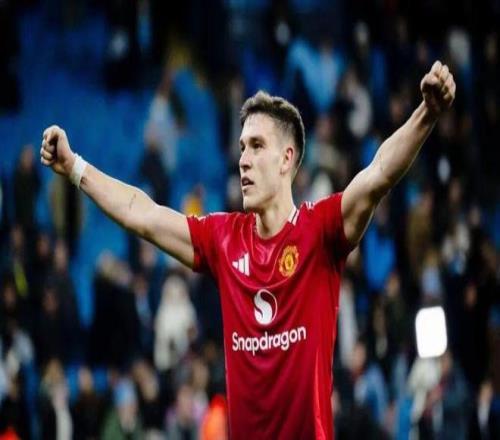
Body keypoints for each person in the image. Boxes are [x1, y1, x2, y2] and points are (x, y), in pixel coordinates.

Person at [40, 60, 455, 438]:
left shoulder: (320, 231)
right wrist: (75, 167)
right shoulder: (223, 239)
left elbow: (378, 173)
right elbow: (143, 214)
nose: (243, 160)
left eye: (257, 146)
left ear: (286, 159)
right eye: (241, 147)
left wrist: (427, 114)